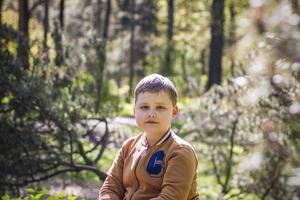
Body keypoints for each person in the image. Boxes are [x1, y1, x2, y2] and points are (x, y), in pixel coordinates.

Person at [99, 73, 199, 200]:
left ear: (173, 112)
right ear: (135, 111)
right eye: (144, 107)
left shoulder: (180, 151)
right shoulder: (129, 146)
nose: (151, 114)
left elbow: (170, 197)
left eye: (160, 107)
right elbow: (110, 187)